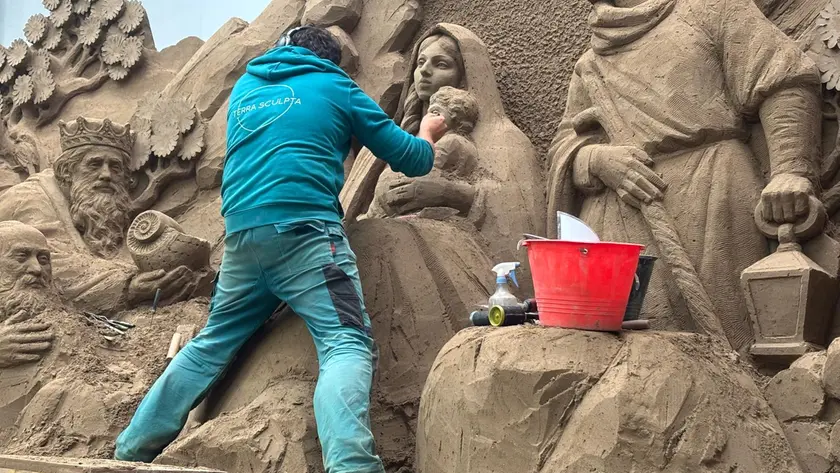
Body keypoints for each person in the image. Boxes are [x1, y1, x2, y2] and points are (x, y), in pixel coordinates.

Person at [114, 26, 447, 472]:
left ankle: (131, 449)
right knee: (344, 342)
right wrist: (427, 130)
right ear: (328, 60)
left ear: (281, 49)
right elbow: (413, 160)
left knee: (212, 343)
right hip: (305, 233)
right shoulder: (334, 83)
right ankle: (351, 466)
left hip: (242, 237)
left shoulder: (247, 89)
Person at [546, 0, 821, 350]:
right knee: (631, 351)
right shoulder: (590, 65)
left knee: (731, 338)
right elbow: (564, 144)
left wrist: (790, 171)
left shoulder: (714, 10)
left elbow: (783, 78)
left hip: (712, 191)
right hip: (620, 212)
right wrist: (597, 160)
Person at [0, 118, 198, 313]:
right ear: (67, 171)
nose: (106, 175)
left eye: (115, 167)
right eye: (95, 164)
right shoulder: (27, 198)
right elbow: (51, 266)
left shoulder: (111, 209)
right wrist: (127, 285)